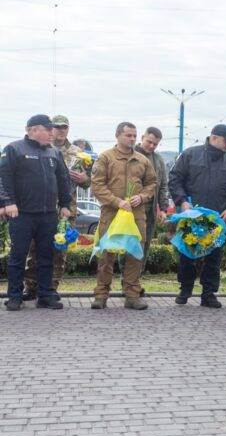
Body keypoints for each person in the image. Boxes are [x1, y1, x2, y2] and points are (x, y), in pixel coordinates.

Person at [1, 115, 71, 311]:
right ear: (31, 130)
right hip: (21, 214)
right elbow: (3, 178)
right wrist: (7, 202)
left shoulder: (54, 153)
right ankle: (14, 296)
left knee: (47, 256)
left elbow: (63, 179)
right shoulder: (14, 149)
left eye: (52, 130)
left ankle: (45, 295)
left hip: (48, 214)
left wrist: (65, 204)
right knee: (18, 256)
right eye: (47, 129)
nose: (51, 133)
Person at [168, 124, 226, 309]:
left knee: (213, 258)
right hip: (191, 217)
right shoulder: (190, 155)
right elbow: (175, 179)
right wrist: (182, 201)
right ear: (214, 138)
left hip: (216, 220)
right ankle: (185, 290)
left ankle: (208, 294)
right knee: (187, 255)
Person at [90, 122, 157, 310]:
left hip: (136, 214)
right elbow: (97, 185)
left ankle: (132, 295)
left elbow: (152, 183)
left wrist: (142, 196)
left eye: (135, 136)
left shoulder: (142, 160)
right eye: (129, 135)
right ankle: (101, 295)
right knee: (106, 253)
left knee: (135, 253)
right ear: (117, 135)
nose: (133, 139)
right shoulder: (105, 158)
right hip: (112, 213)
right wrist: (116, 201)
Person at [23, 115, 91, 301]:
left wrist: (85, 180)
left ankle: (52, 287)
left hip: (66, 210)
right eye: (57, 127)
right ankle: (31, 287)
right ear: (51, 128)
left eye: (64, 127)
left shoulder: (79, 152)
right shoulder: (42, 147)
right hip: (40, 208)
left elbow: (90, 182)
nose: (61, 130)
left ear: (68, 129)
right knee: (34, 249)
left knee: (59, 250)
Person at [134, 127, 169, 289]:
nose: (151, 146)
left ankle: (136, 280)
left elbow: (162, 186)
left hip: (150, 211)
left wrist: (163, 209)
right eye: (149, 142)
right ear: (142, 137)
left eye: (155, 144)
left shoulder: (159, 160)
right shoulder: (131, 154)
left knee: (145, 246)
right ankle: (127, 281)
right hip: (131, 210)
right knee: (130, 245)